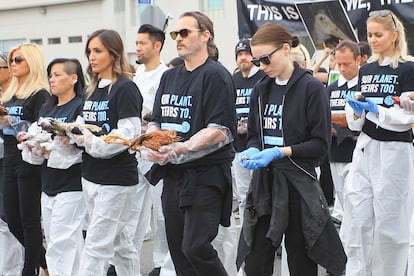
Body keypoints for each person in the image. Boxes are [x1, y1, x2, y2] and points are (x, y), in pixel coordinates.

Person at [235, 22, 346, 276]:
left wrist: (281, 151)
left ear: (285, 49)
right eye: (257, 62)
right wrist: (252, 150)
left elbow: (320, 145)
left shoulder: (312, 89)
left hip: (298, 181)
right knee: (256, 258)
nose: (262, 66)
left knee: (300, 257)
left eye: (265, 59)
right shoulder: (261, 89)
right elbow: (254, 134)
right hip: (265, 182)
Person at [141, 11, 236, 276]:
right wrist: (152, 142)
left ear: (205, 35)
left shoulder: (216, 75)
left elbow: (218, 130)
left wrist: (182, 148)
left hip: (206, 175)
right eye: (175, 34)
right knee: (179, 252)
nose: (178, 39)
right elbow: (157, 121)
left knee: (196, 247)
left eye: (184, 33)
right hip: (173, 175)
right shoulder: (169, 77)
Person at [343, 10, 414, 276]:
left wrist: (378, 110)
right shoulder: (367, 69)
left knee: (391, 222)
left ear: (394, 36)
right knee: (358, 218)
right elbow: (356, 123)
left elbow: (406, 117)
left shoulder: (407, 68)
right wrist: (358, 110)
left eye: (378, 34)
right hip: (365, 147)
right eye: (369, 34)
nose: (372, 40)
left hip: (395, 150)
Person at [71, 29, 143, 276]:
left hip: (116, 180)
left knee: (96, 246)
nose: (91, 56)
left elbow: (127, 134)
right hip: (91, 175)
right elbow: (82, 125)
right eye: (89, 51)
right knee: (121, 246)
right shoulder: (92, 89)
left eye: (98, 51)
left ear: (113, 53)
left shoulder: (125, 87)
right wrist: (69, 132)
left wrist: (91, 141)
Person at [0, 44, 50, 276]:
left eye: (18, 59)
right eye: (11, 59)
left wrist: (14, 124)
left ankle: (30, 270)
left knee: (29, 219)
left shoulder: (40, 94)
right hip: (9, 157)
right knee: (11, 219)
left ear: (32, 61)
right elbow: (5, 130)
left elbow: (40, 131)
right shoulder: (10, 93)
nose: (13, 63)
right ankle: (45, 261)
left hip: (28, 159)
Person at [37, 58, 86, 276]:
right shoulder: (47, 107)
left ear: (73, 78)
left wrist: (67, 142)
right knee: (63, 239)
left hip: (72, 184)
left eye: (57, 75)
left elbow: (82, 144)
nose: (52, 79)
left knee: (61, 240)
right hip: (48, 182)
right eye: (50, 75)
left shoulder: (80, 106)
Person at [131, 23, 173, 276]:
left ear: (157, 45)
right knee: (133, 210)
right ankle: (128, 260)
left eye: (142, 43)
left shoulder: (166, 75)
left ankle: (162, 263)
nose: (137, 48)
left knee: (161, 213)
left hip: (158, 151)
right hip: (135, 151)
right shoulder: (136, 75)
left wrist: (149, 118)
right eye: (136, 43)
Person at [326, 41, 361, 226]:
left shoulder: (362, 85)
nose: (342, 68)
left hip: (356, 149)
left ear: (358, 60)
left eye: (347, 64)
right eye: (339, 64)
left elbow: (357, 118)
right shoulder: (332, 88)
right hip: (335, 149)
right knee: (340, 193)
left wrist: (337, 119)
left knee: (354, 198)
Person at [232, 38, 265, 225]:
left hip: (258, 144)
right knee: (243, 194)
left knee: (260, 192)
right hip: (238, 145)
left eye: (247, 54)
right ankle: (247, 230)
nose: (243, 58)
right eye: (239, 55)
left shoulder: (262, 77)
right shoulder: (233, 79)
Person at [0, 52, 24, 276]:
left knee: (10, 219)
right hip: (6, 160)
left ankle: (15, 268)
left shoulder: (19, 96)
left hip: (16, 161)